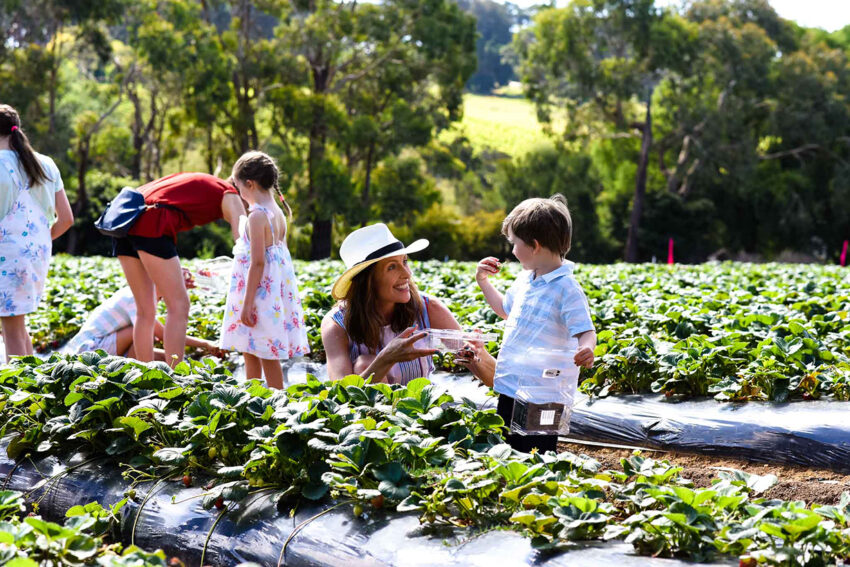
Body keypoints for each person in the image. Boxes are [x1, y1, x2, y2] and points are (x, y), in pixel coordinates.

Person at [474, 194, 596, 453]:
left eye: (514, 244)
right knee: (507, 448)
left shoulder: (566, 289)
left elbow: (585, 330)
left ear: (535, 246)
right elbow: (505, 310)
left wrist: (587, 348)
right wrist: (483, 282)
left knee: (538, 454)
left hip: (546, 394)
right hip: (512, 386)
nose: (512, 251)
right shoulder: (524, 280)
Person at [321, 223, 496, 385]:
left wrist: (478, 356)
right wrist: (386, 358)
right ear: (367, 281)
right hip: (368, 415)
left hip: (417, 412)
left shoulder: (428, 308)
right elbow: (340, 394)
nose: (407, 273)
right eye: (392, 267)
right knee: (364, 363)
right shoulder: (336, 324)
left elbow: (495, 379)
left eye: (404, 261)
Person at [112, 171, 245, 365]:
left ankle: (145, 376)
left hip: (123, 221)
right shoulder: (230, 192)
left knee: (145, 310)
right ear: (247, 187)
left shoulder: (207, 183)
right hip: (151, 221)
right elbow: (244, 242)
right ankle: (175, 376)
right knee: (180, 306)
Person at [220, 152, 309, 389]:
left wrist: (247, 303)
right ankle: (254, 398)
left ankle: (275, 401)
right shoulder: (277, 212)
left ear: (249, 184)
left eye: (239, 187)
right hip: (271, 295)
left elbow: (258, 262)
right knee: (251, 347)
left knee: (266, 353)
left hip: (258, 295)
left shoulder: (258, 216)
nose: (239, 193)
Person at [0, 105, 74, 361]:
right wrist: (39, 240)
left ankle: (17, 393)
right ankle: (31, 386)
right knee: (17, 326)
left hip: (6, 256)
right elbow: (66, 219)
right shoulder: (47, 164)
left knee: (10, 329)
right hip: (37, 255)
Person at [64, 269, 224, 360]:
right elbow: (163, 334)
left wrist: (187, 359)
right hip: (87, 351)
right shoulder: (136, 297)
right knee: (144, 333)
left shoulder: (147, 294)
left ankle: (140, 368)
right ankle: (138, 377)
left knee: (165, 357)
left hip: (103, 346)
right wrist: (205, 343)